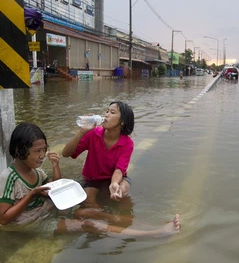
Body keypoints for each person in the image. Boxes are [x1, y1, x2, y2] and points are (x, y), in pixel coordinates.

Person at [0, 123, 181, 238]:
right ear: (19, 150)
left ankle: (147, 222)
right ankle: (154, 233)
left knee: (87, 212)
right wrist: (32, 194)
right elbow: (4, 219)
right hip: (35, 223)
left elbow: (53, 191)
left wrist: (55, 166)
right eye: (36, 151)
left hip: (49, 211)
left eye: (43, 150)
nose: (41, 155)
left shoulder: (38, 173)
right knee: (88, 224)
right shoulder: (8, 177)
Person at [62, 101, 135, 204]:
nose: (106, 115)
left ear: (122, 121)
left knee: (122, 189)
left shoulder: (127, 143)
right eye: (106, 111)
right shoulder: (92, 133)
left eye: (112, 112)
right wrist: (82, 132)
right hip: (92, 179)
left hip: (113, 178)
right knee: (88, 202)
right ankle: (105, 217)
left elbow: (119, 170)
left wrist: (114, 183)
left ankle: (119, 214)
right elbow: (66, 153)